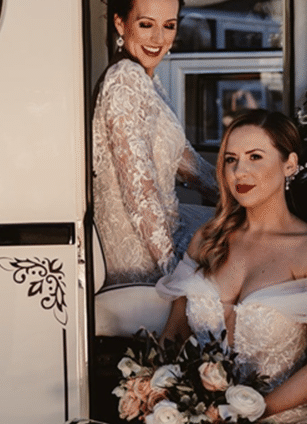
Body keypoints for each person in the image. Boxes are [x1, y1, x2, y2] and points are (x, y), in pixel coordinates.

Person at [157, 110, 307, 424]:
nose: (239, 172)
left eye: (255, 157)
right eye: (231, 160)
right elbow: (174, 333)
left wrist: (243, 415)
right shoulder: (208, 239)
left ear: (289, 164)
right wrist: (168, 401)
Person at [93, 0, 218, 287]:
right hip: (142, 256)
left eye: (169, 26)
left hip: (168, 224)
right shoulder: (125, 80)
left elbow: (190, 165)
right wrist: (174, 274)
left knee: (245, 232)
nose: (159, 39)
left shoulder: (148, 80)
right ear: (120, 24)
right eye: (146, 25)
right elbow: (140, 195)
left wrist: (240, 196)